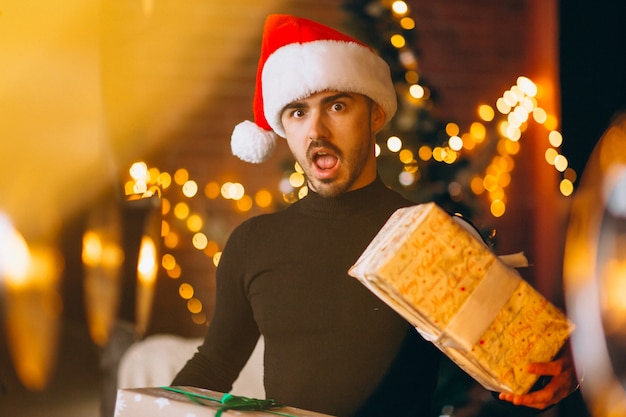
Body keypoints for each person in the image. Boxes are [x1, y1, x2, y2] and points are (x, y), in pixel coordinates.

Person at [172, 14, 579, 416]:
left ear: (375, 115)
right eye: (298, 112)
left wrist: (552, 379)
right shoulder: (252, 243)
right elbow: (214, 365)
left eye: (336, 106)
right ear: (283, 128)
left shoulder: (428, 235)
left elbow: (514, 372)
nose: (317, 130)